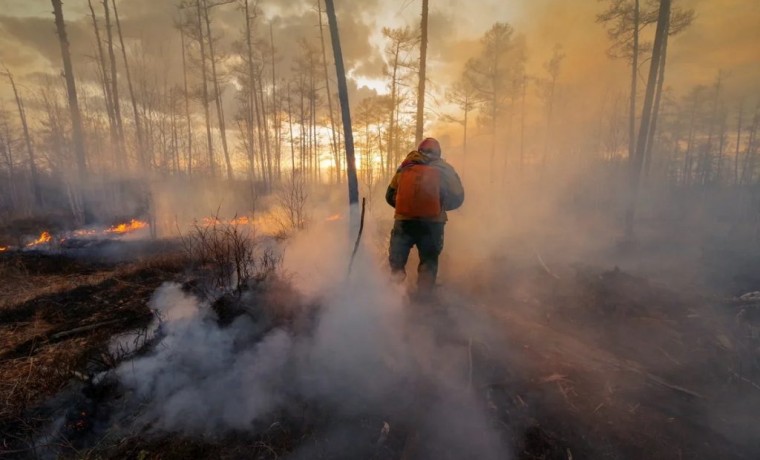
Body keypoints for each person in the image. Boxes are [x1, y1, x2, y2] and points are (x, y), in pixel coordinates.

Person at [385, 137, 464, 293]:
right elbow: (458, 196)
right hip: (433, 224)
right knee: (429, 262)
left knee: (397, 262)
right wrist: (440, 207)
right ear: (439, 153)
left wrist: (405, 207)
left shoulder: (406, 166)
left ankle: (394, 296)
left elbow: (389, 195)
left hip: (404, 222)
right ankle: (424, 302)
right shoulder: (445, 169)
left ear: (419, 150)